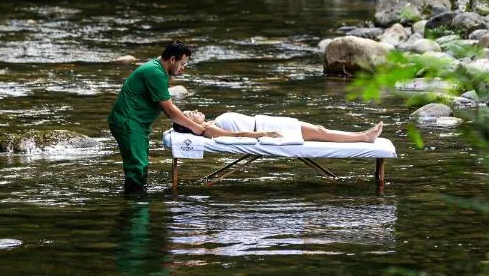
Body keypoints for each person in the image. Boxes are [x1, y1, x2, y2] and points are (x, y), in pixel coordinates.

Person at [108, 41, 206, 191]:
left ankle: (135, 201)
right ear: (172, 59)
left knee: (139, 167)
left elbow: (169, 106)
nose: (183, 69)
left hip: (136, 123)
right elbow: (170, 111)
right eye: (182, 64)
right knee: (137, 169)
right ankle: (136, 207)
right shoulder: (155, 73)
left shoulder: (158, 69)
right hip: (128, 122)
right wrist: (197, 128)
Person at [173, 110, 384, 143]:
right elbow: (235, 135)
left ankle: (363, 134)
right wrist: (262, 134)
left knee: (319, 129)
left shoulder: (210, 123)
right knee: (320, 132)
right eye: (190, 115)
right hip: (264, 126)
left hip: (265, 120)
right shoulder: (209, 129)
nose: (194, 111)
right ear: (192, 126)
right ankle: (363, 137)